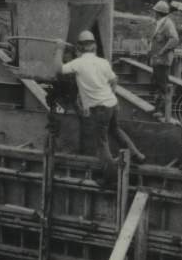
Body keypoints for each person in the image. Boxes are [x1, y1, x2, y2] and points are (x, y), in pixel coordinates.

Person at [54, 30, 146, 183]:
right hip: (112, 103)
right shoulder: (103, 62)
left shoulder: (78, 63)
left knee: (101, 143)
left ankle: (110, 177)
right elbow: (114, 79)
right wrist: (111, 94)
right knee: (116, 130)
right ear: (94, 46)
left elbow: (59, 69)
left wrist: (58, 48)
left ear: (79, 48)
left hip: (100, 109)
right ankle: (138, 156)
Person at [149, 0, 180, 121]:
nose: (154, 13)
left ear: (158, 13)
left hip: (163, 61)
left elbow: (175, 40)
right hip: (157, 60)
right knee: (157, 83)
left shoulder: (168, 24)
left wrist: (162, 51)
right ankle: (157, 108)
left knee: (162, 85)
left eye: (155, 12)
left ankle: (162, 111)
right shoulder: (159, 23)